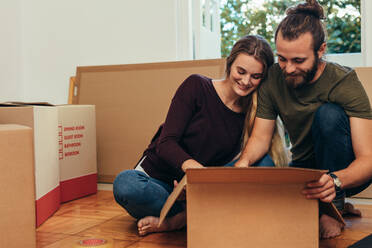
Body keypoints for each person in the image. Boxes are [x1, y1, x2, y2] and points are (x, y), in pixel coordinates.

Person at [113, 35, 288, 236]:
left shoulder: (254, 111)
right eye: (241, 71)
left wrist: (203, 183)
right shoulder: (197, 86)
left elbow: (250, 152)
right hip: (162, 182)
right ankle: (198, 215)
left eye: (255, 76)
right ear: (230, 64)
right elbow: (166, 143)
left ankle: (179, 220)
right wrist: (195, 175)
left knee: (264, 164)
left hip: (204, 190)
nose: (246, 81)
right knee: (125, 184)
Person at [235, 0, 372, 239]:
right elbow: (260, 138)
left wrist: (335, 181)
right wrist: (243, 163)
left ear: (321, 51)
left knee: (328, 114)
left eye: (298, 60)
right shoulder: (273, 80)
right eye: (282, 59)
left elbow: (368, 159)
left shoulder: (344, 81)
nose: (287, 68)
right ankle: (322, 204)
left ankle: (335, 210)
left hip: (345, 173)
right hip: (305, 170)